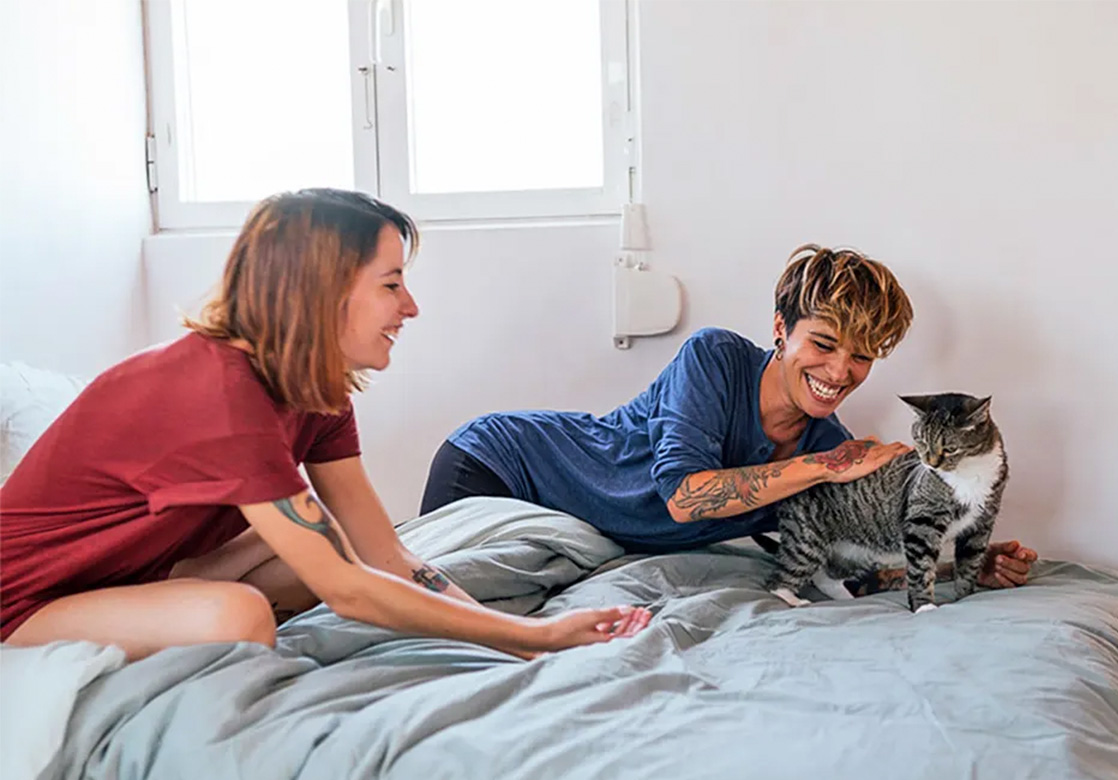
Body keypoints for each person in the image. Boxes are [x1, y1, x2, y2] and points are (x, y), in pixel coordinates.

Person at [0, 188, 650, 661]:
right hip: (24, 601)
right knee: (241, 615)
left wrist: (517, 643)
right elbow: (351, 593)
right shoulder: (223, 399)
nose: (411, 306)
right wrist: (533, 636)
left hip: (137, 572)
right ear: (321, 292)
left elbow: (383, 552)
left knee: (323, 545)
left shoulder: (317, 390)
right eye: (391, 285)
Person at [422, 243, 1037, 589]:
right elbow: (685, 499)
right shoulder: (713, 358)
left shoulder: (828, 445)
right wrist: (822, 468)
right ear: (780, 330)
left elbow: (843, 561)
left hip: (585, 534)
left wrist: (967, 565)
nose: (840, 371)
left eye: (863, 356)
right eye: (823, 344)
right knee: (438, 607)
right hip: (504, 463)